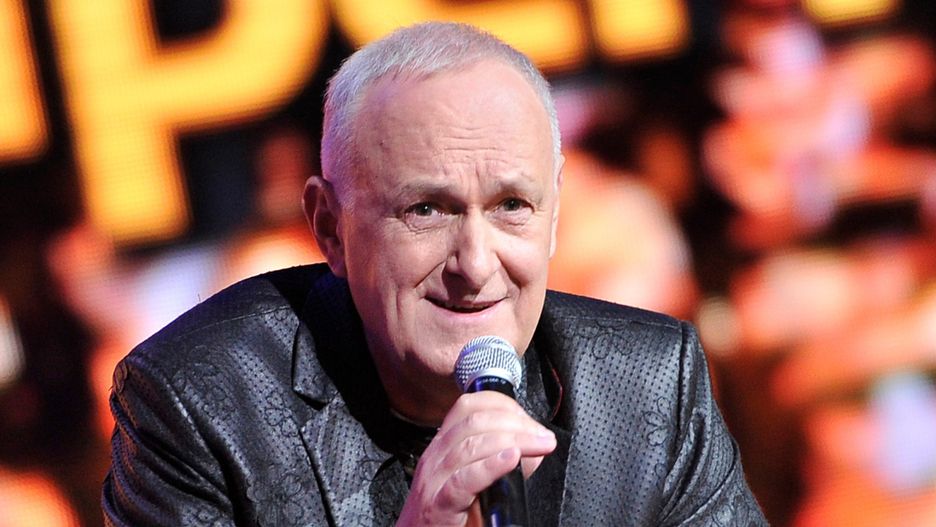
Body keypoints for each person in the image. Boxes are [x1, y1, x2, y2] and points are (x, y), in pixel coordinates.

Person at [102, 21, 766, 526]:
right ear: (330, 227)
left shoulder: (649, 383)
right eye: (426, 210)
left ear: (555, 213)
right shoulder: (200, 404)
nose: (475, 265)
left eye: (512, 206)